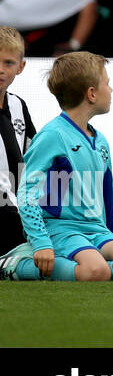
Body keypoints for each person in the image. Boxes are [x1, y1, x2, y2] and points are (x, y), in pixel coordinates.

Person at [4, 51, 113, 282]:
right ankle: (18, 264)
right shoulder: (52, 135)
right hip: (60, 229)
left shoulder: (100, 140)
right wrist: (42, 243)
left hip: (96, 230)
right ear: (91, 94)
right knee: (95, 272)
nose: (111, 90)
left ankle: (87, 270)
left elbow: (94, 193)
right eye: (107, 84)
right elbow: (27, 192)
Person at [0, 26, 35, 254]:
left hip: (14, 209)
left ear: (21, 67)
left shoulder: (18, 105)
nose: (0, 70)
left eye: (8, 63)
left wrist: (101, 188)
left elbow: (38, 161)